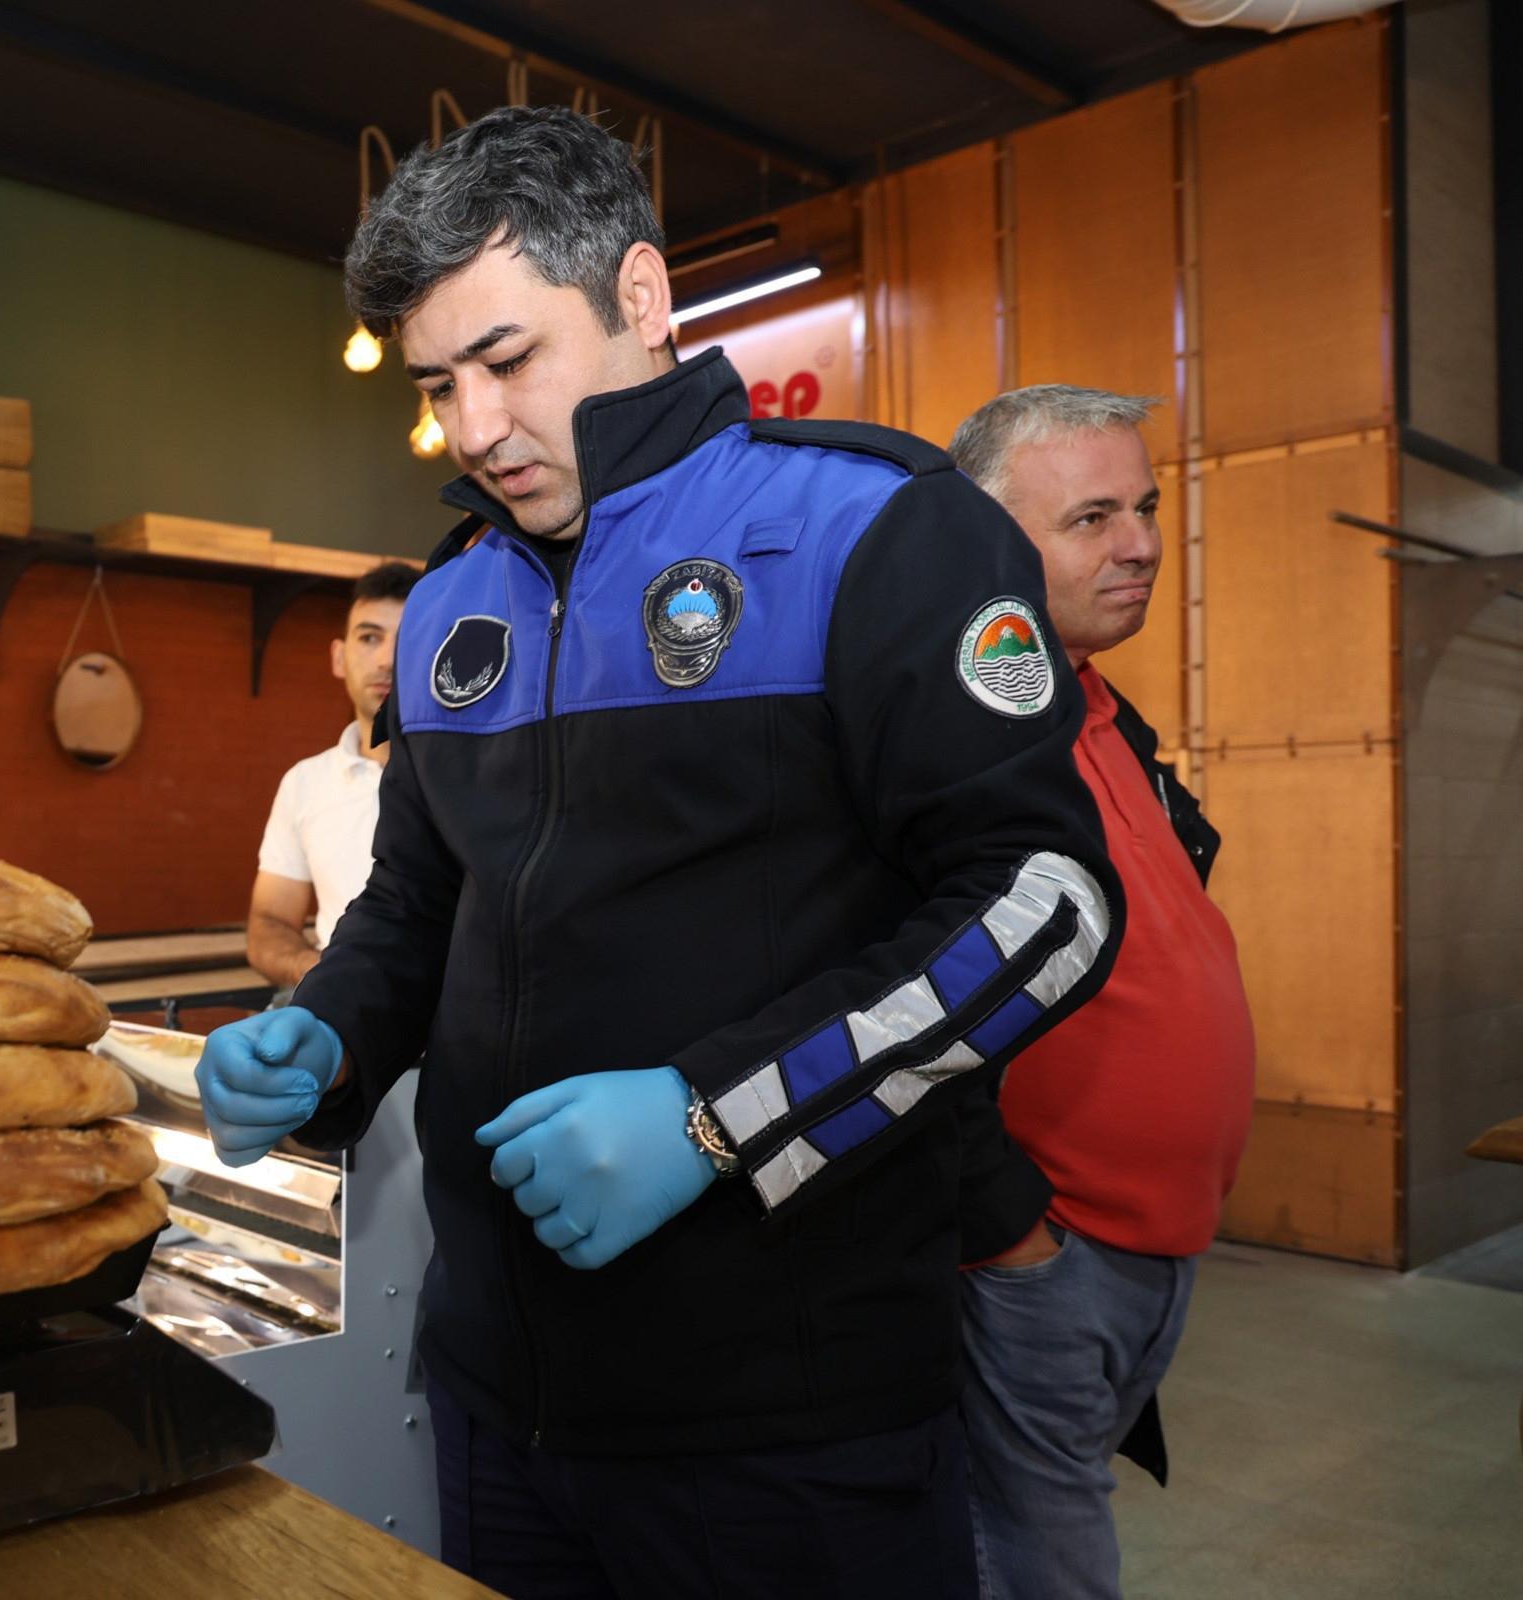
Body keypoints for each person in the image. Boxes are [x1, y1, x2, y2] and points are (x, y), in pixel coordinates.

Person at [192, 106, 1123, 1599]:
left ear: (639, 296)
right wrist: (330, 1033)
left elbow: (1047, 904)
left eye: (507, 361)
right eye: (436, 385)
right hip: (499, 1397)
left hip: (789, 1419)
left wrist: (711, 1119)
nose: (473, 428)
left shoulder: (876, 530)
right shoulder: (453, 601)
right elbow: (421, 900)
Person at [947, 386, 1254, 1600]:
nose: (1140, 544)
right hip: (1042, 1253)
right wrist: (1009, 1230)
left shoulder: (1107, 714)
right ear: (985, 544)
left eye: (1146, 507)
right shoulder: (957, 733)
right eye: (1091, 518)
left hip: (1152, 1245)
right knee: (1037, 1561)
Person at [247, 561, 418, 989]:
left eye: (408, 637)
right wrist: (326, 977)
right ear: (339, 657)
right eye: (369, 637)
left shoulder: (473, 777)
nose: (387, 660)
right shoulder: (304, 783)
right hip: (337, 1007)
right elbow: (269, 922)